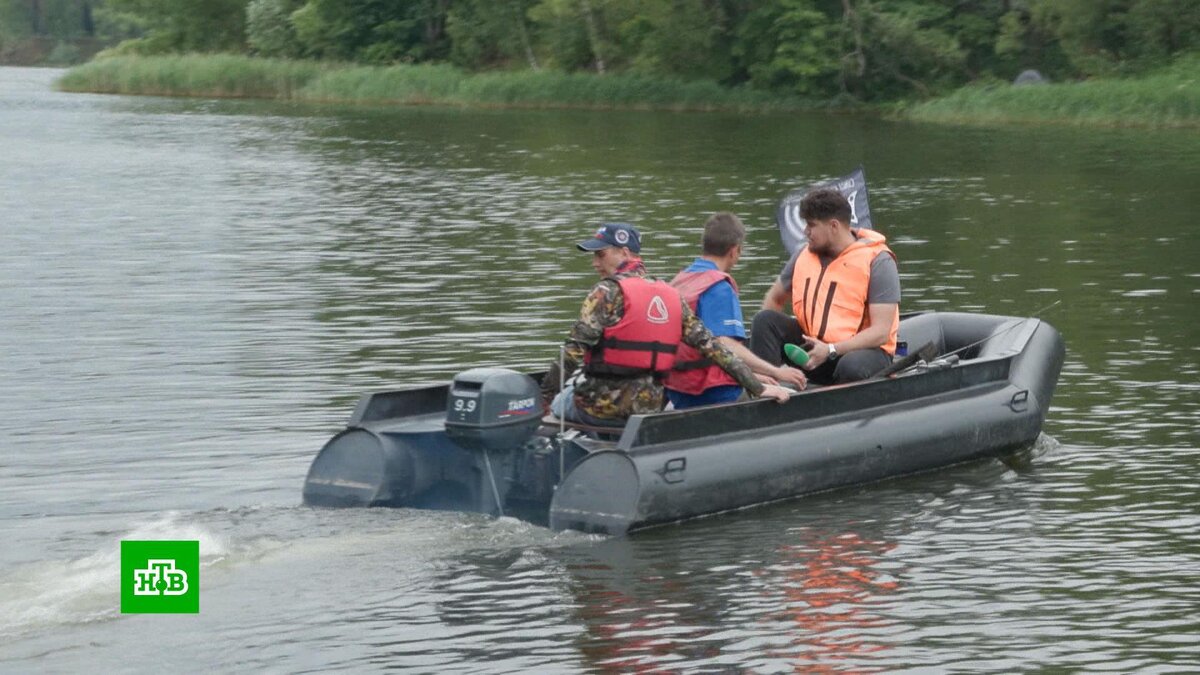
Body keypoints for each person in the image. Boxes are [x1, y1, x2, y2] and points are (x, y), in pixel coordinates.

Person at [542, 222, 791, 426]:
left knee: (558, 401)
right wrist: (757, 387)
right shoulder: (670, 294)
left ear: (625, 253)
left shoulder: (605, 292)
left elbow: (572, 353)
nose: (595, 263)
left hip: (602, 407)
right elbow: (713, 347)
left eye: (601, 254)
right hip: (649, 406)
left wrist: (545, 397)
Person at [750, 189, 900, 385]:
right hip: (814, 349)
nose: (805, 232)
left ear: (834, 226)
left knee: (851, 366)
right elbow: (775, 298)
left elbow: (880, 332)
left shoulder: (878, 261)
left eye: (811, 225)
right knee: (765, 320)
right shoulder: (804, 255)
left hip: (859, 352)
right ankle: (767, 389)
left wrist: (831, 349)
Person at [664, 212, 808, 409]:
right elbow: (725, 343)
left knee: (764, 379)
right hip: (714, 393)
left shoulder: (680, 281)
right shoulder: (719, 287)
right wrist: (776, 372)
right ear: (735, 251)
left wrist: (752, 374)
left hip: (680, 391)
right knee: (788, 390)